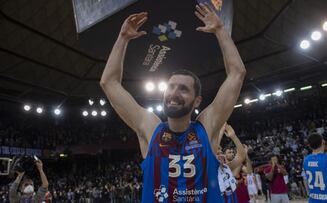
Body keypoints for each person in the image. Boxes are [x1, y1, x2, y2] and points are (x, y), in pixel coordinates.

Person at [100, 2, 246, 203]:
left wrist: (220, 31)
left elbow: (237, 74)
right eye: (171, 87)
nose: (174, 93)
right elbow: (109, 83)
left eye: (183, 89)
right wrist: (122, 39)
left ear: (197, 101)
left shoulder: (207, 128)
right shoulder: (150, 128)